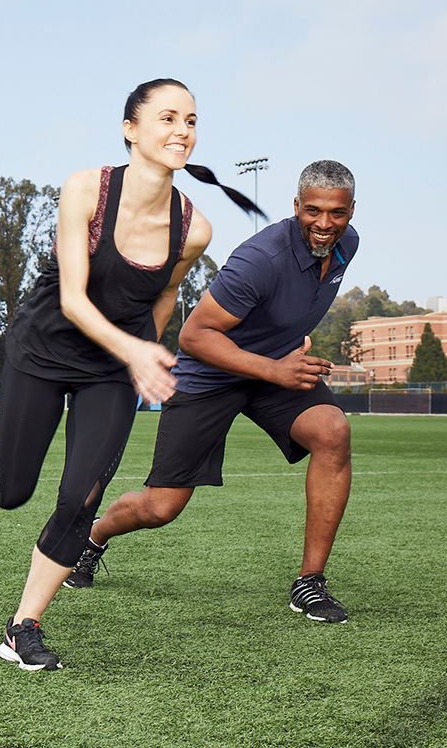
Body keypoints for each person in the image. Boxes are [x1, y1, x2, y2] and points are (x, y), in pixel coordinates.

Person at [0, 79, 264, 671]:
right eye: (168, 117)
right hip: (43, 351)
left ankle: (23, 627)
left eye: (192, 121)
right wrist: (137, 350)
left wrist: (141, 354)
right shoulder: (86, 191)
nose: (183, 130)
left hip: (112, 370)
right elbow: (73, 299)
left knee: (80, 496)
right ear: (131, 128)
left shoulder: (193, 229)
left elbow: (164, 298)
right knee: (17, 490)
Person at [66, 160, 359, 624]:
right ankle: (92, 538)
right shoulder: (259, 260)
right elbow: (194, 336)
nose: (325, 224)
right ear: (297, 206)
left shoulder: (347, 246)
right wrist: (274, 368)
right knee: (161, 507)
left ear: (351, 211)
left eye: (337, 214)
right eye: (314, 211)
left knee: (332, 431)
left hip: (273, 371)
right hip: (211, 377)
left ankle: (309, 582)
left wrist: (281, 358)